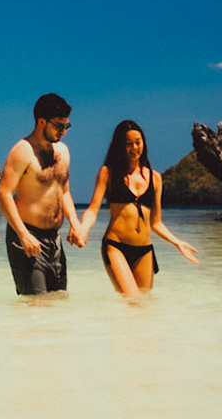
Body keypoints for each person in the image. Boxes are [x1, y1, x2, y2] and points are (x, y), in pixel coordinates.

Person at [76, 119, 199, 295]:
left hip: (144, 251)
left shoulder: (155, 178)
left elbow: (156, 223)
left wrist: (177, 242)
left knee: (144, 305)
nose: (134, 147)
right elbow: (92, 210)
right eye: (128, 143)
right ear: (120, 146)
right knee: (133, 300)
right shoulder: (108, 173)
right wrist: (83, 229)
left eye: (137, 142)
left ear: (143, 143)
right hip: (116, 246)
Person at [0, 93, 87, 295]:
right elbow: (3, 193)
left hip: (55, 240)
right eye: (59, 126)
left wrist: (75, 223)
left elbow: (64, 191)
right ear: (41, 122)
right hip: (28, 236)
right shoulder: (23, 151)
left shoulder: (63, 151)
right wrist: (23, 234)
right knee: (35, 305)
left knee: (59, 300)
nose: (64, 132)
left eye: (67, 126)